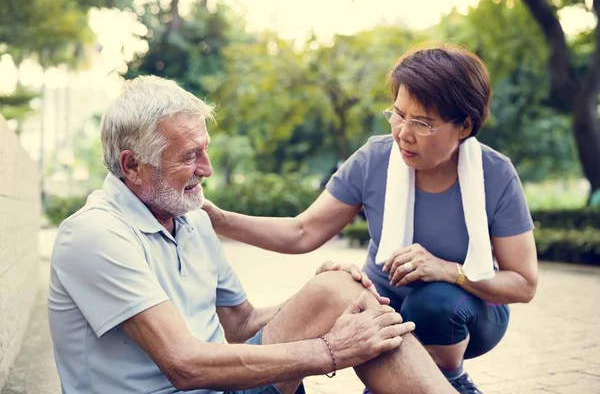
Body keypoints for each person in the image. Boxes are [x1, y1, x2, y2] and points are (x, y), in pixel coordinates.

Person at [47, 75, 459, 394]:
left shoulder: (190, 217)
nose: (206, 169)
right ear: (132, 165)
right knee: (344, 316)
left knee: (338, 290)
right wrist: (331, 350)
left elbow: (240, 322)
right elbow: (183, 364)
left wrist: (318, 300)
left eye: (205, 150)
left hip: (227, 387)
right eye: (190, 156)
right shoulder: (94, 235)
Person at [202, 44, 539, 394]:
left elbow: (523, 283)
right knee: (349, 297)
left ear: (464, 126)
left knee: (433, 302)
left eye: (422, 123)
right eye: (398, 114)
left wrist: (448, 270)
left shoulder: (495, 174)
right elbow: (302, 232)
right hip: (386, 303)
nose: (403, 133)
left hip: (470, 311)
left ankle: (451, 378)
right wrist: (220, 220)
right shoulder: (375, 159)